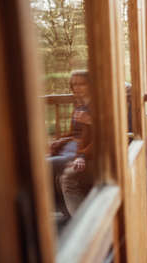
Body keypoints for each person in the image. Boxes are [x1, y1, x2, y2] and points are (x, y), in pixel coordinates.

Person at [47, 70, 93, 218]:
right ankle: (65, 211)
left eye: (81, 84)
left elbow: (103, 137)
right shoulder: (79, 105)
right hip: (71, 149)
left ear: (90, 85)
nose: (77, 88)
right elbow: (75, 133)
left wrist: (82, 156)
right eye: (74, 85)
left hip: (80, 154)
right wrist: (62, 140)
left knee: (43, 166)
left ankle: (79, 218)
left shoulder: (97, 108)